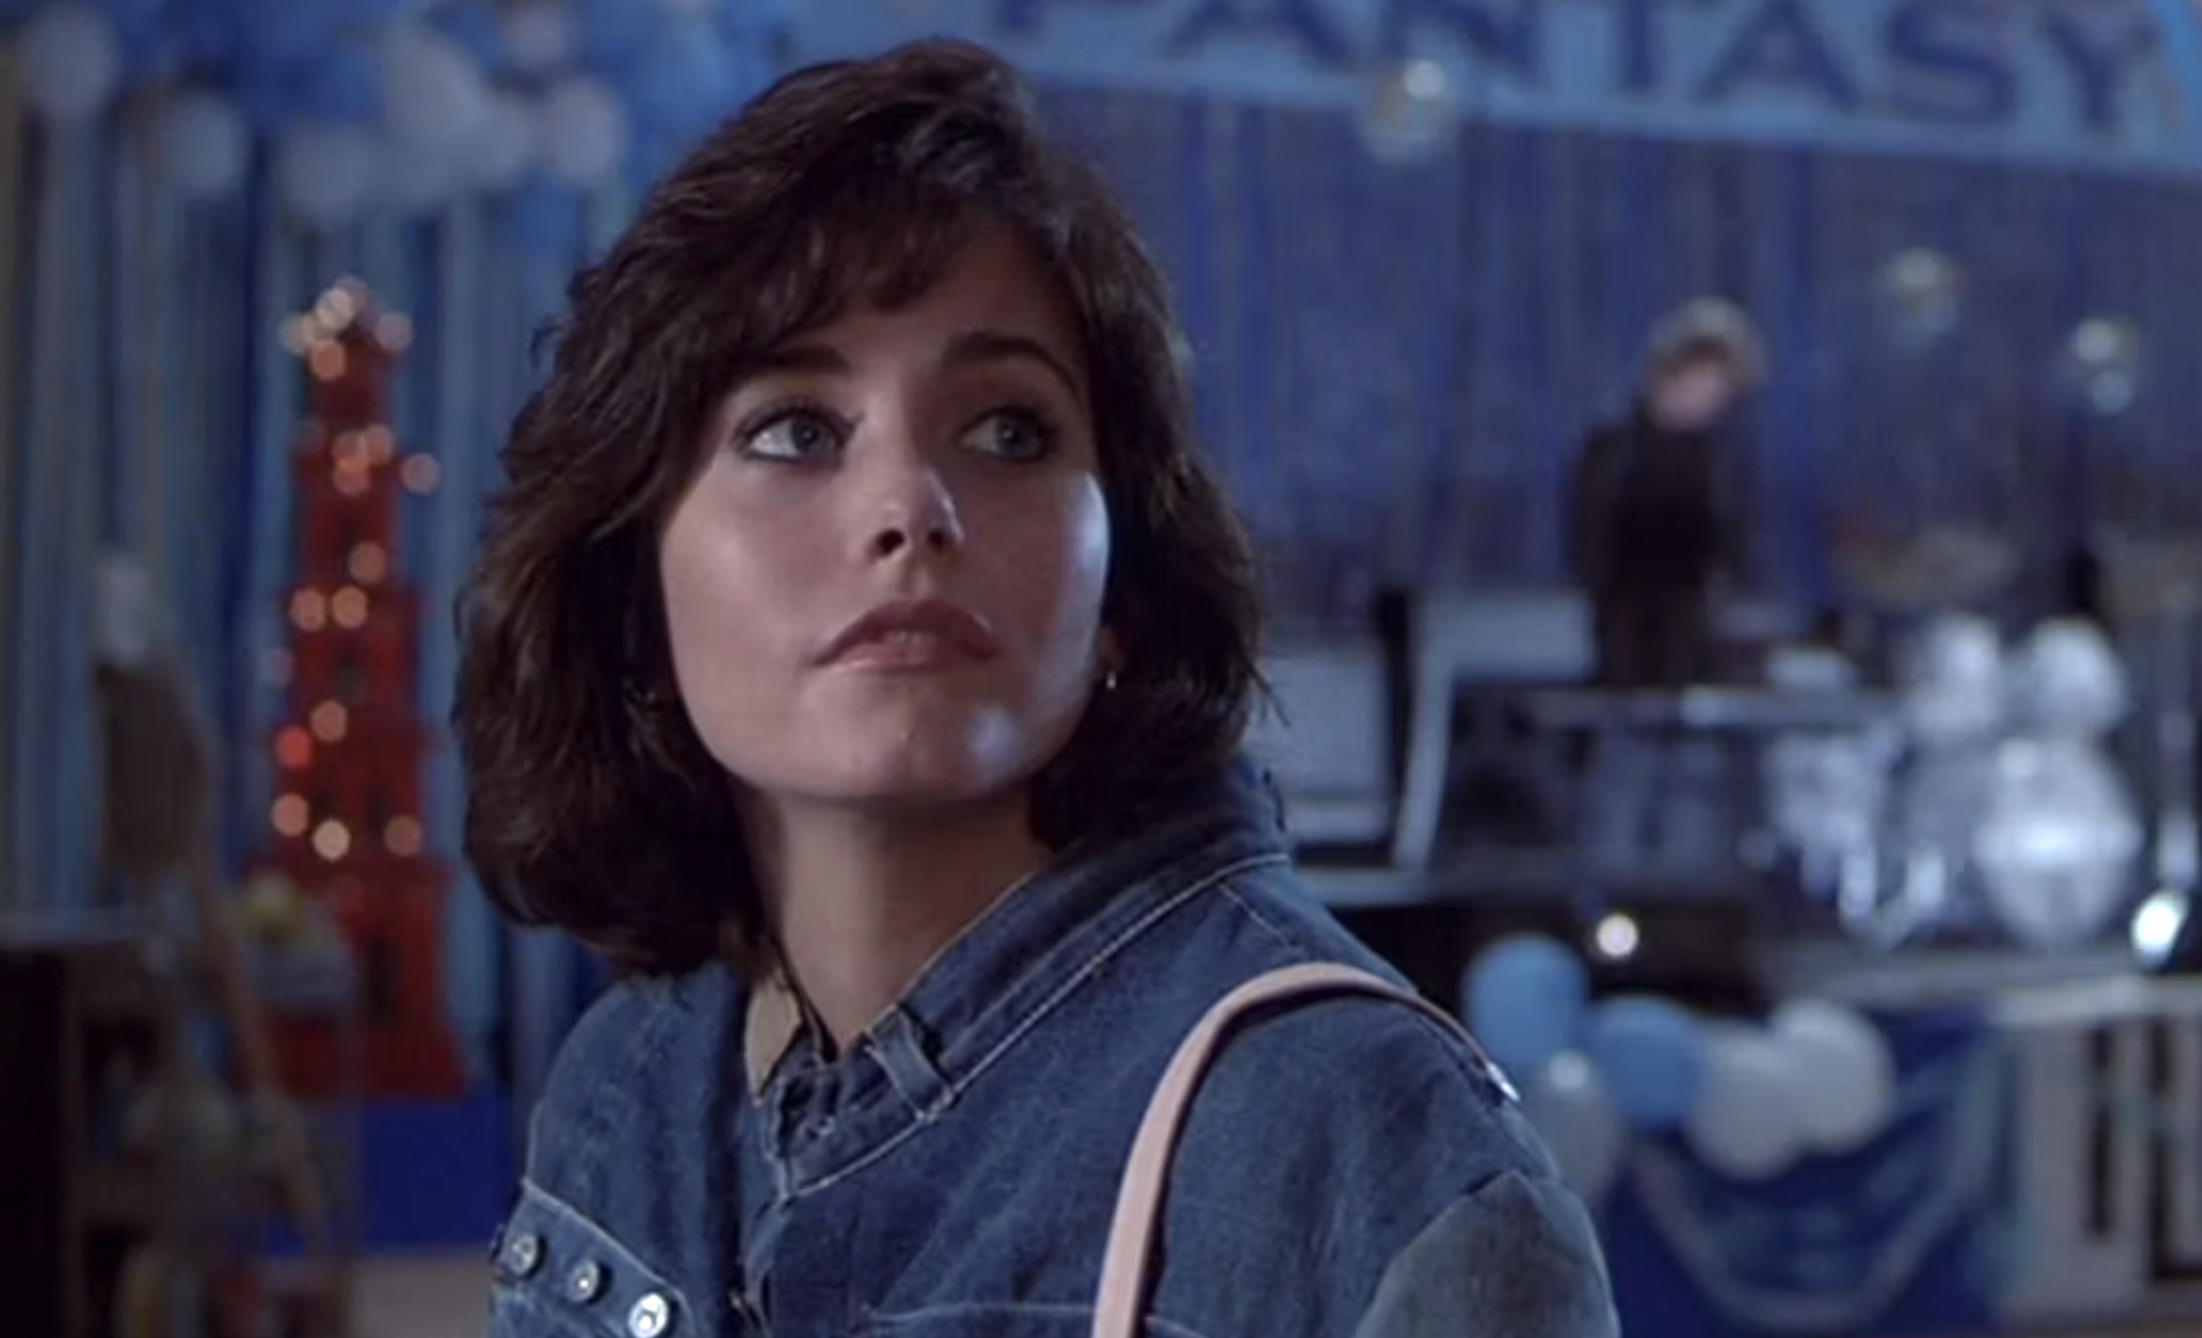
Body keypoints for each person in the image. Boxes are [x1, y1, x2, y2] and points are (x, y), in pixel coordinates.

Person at [455, 40, 1616, 1338]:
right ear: (633, 580)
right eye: (796, 429)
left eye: (1009, 430)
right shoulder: (633, 1084)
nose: (909, 507)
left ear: (1121, 579)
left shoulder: (1363, 1150)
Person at [1567, 298, 1764, 689]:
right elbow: (1594, 546)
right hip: (1626, 635)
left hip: (1692, 638)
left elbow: (1727, 546)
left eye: (1725, 388)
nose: (1716, 399)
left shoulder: (1715, 461)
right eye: (1711, 381)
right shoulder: (1616, 450)